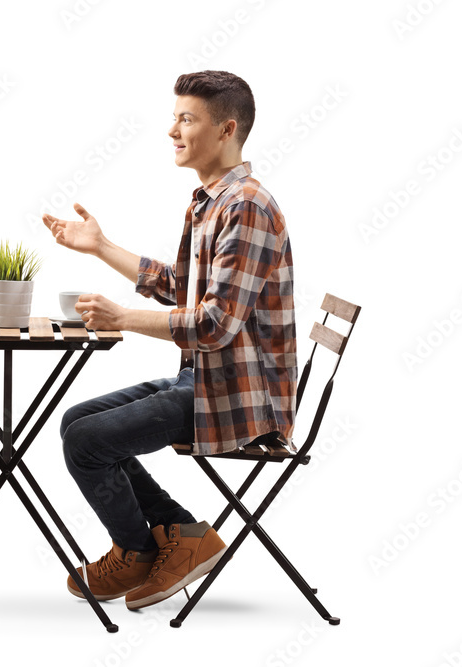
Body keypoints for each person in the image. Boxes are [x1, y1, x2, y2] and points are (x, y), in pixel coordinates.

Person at [42, 70, 296, 610]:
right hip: (208, 380)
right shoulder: (212, 200)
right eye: (175, 117)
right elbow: (181, 287)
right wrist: (100, 245)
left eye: (186, 119)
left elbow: (213, 324)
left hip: (240, 399)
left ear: (226, 129)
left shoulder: (246, 205)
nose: (172, 130)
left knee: (88, 443)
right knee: (75, 424)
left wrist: (123, 318)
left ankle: (139, 549)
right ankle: (179, 536)